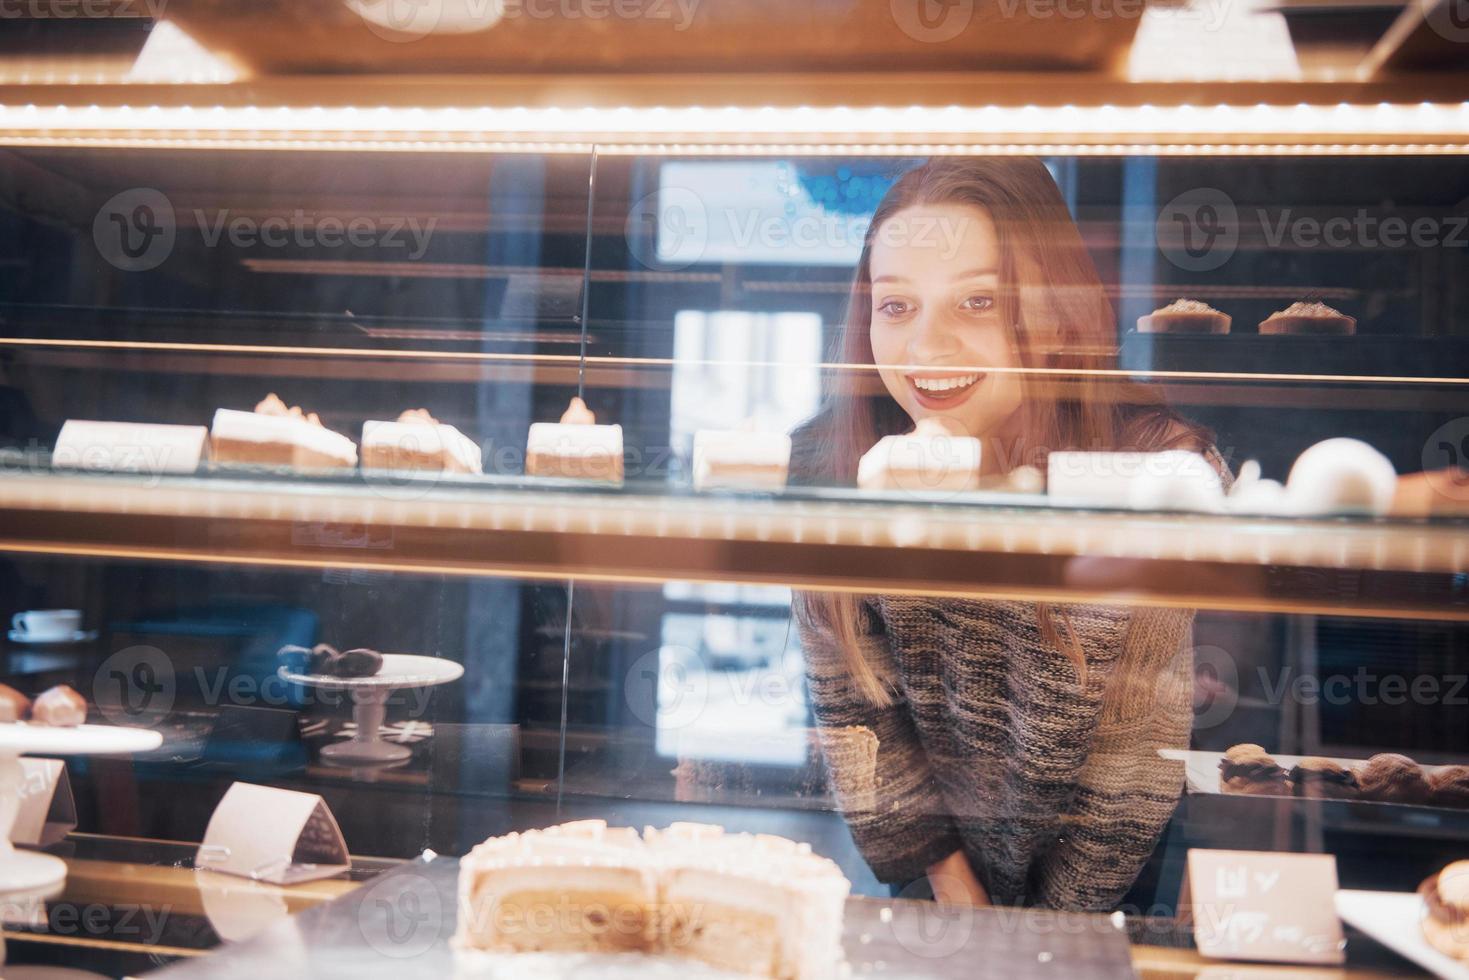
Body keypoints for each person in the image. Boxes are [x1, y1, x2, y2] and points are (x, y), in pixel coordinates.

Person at [790, 157, 1229, 911]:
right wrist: (953, 891)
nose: (927, 348)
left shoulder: (1157, 467)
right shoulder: (826, 464)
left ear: (1055, 309)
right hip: (929, 871)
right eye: (897, 307)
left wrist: (1041, 941)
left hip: (1113, 876)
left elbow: (1136, 745)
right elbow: (853, 707)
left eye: (977, 301)